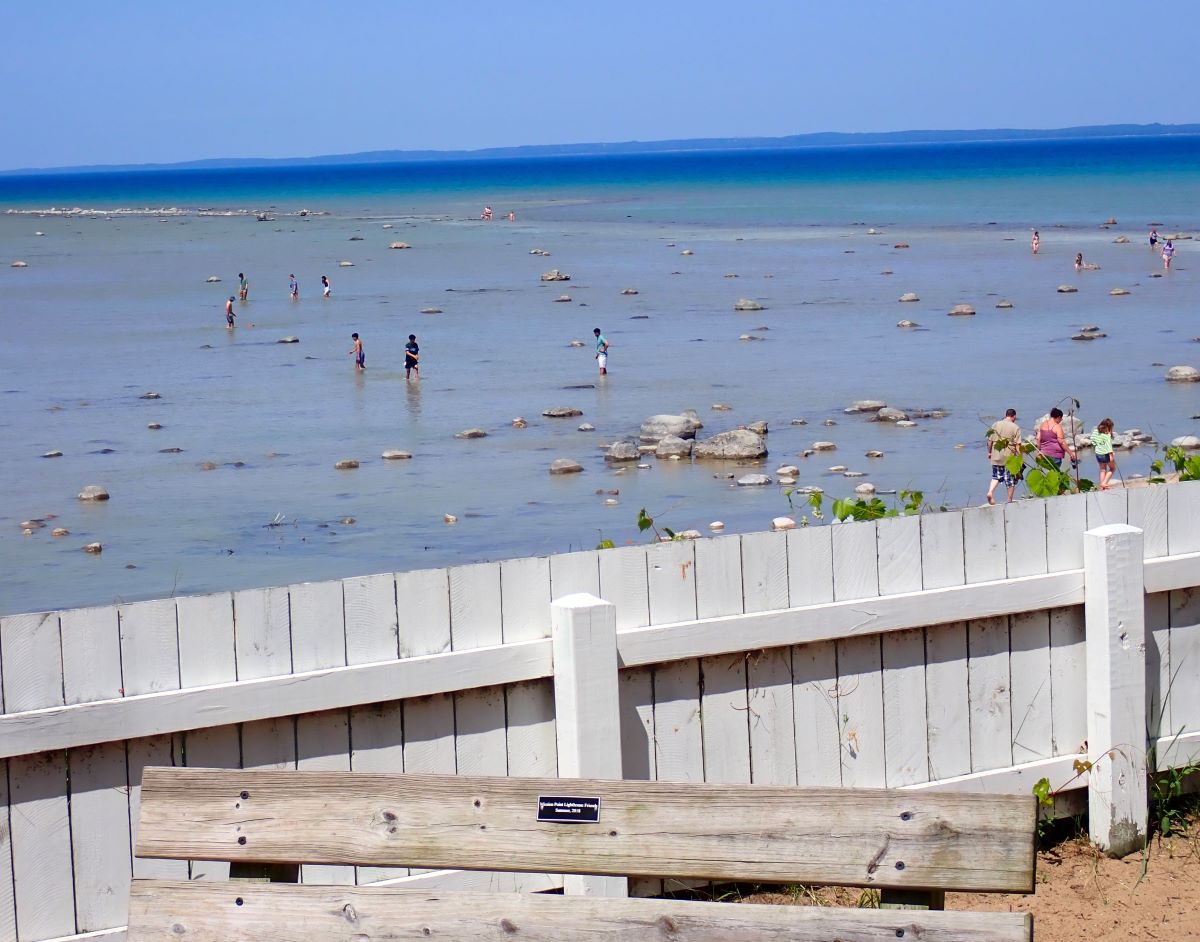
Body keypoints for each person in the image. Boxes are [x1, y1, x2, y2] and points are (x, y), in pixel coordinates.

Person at [986, 407, 1021, 505]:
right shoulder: (1015, 427)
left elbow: (990, 441)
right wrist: (1019, 457)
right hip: (1008, 457)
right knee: (1010, 480)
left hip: (996, 455)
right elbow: (1018, 445)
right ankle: (1009, 500)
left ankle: (990, 492)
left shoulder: (995, 424)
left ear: (1006, 415)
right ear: (1014, 416)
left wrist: (989, 452)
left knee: (996, 476)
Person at [1091, 418, 1116, 490]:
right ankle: (1104, 483)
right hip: (1106, 454)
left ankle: (1103, 487)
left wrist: (1097, 445)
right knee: (1112, 468)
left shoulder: (1096, 431)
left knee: (1102, 470)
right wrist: (1111, 455)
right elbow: (1109, 446)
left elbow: (1092, 440)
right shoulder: (1107, 435)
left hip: (1098, 454)